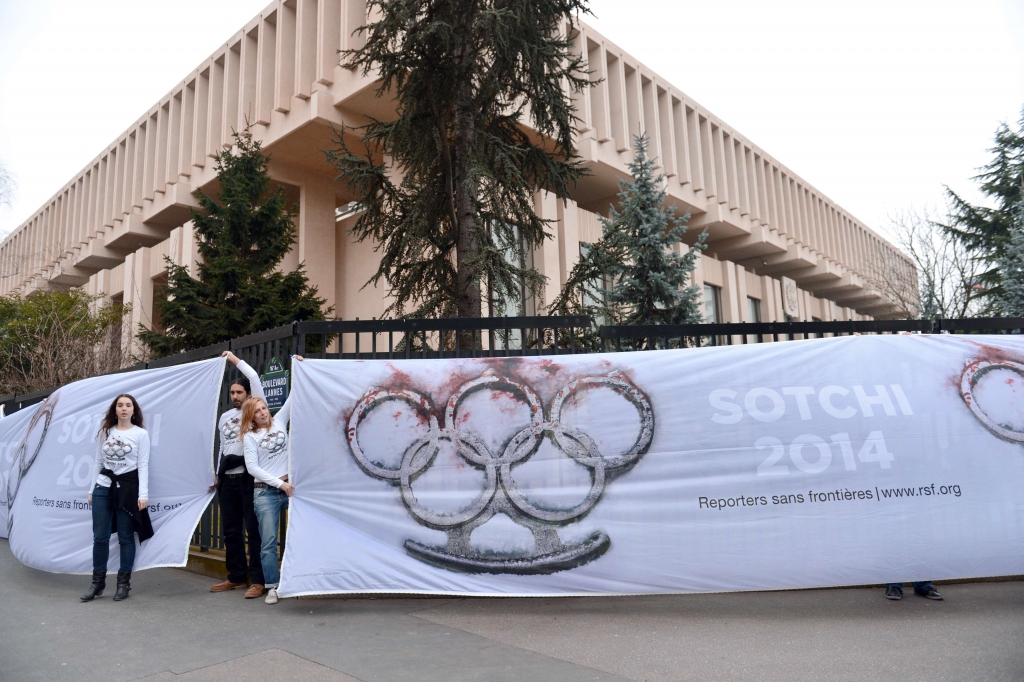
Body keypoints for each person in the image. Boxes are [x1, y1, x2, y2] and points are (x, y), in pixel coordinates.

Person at [241, 356, 301, 605]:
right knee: (268, 543)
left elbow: (295, 392)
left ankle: (297, 579)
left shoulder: (280, 421)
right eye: (258, 411)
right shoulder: (250, 438)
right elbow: (252, 468)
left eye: (264, 408)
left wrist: (300, 364)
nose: (263, 412)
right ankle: (272, 586)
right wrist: (280, 484)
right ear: (251, 416)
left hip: (291, 489)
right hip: (266, 493)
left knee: (300, 535)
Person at [81, 394, 153, 602]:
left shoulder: (141, 434)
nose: (124, 409)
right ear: (115, 410)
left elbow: (144, 465)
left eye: (128, 405)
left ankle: (123, 583)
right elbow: (97, 462)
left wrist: (143, 495)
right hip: (103, 487)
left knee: (125, 537)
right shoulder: (105, 432)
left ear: (133, 410)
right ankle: (97, 583)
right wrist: (92, 490)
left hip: (128, 489)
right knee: (100, 537)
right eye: (120, 405)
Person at [209, 351, 266, 598]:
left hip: (248, 478)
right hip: (227, 479)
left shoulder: (254, 411)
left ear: (249, 394)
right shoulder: (224, 417)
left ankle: (259, 580)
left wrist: (232, 359)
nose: (234, 396)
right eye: (232, 393)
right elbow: (222, 446)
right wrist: (217, 475)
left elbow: (252, 375)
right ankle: (236, 576)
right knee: (230, 530)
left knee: (252, 530)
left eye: (239, 392)